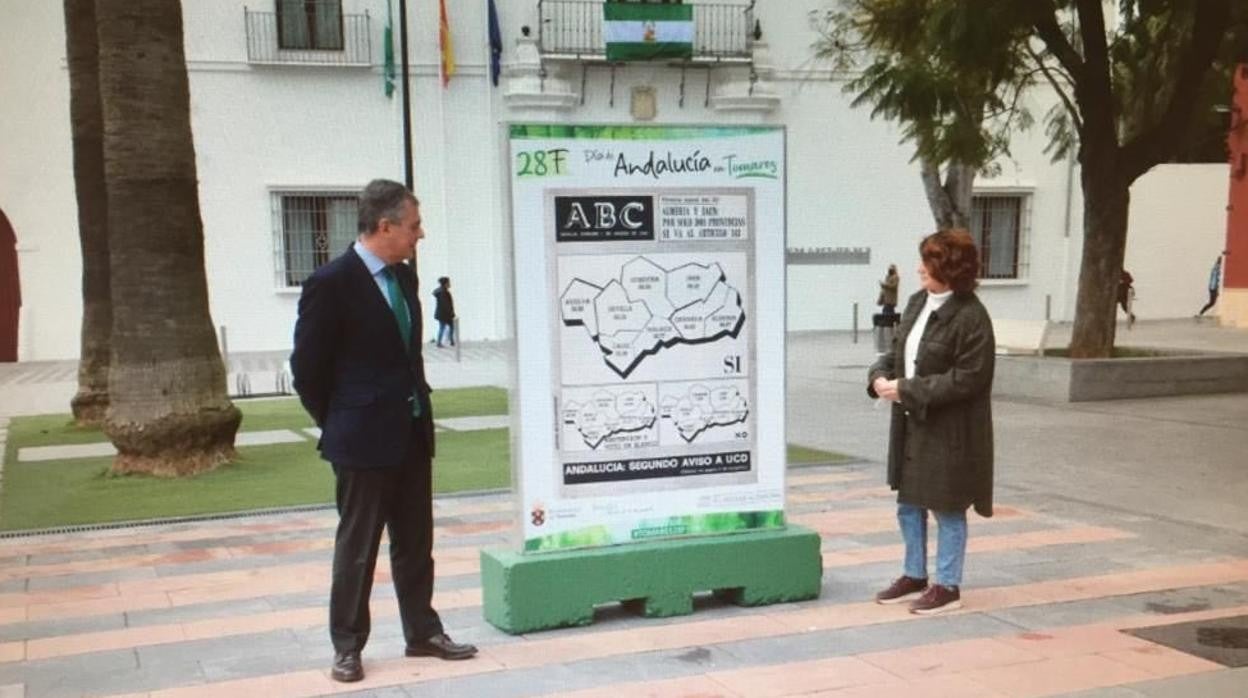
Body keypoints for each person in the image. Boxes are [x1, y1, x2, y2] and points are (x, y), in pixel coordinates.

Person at [290, 179, 477, 684]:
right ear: (385, 225)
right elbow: (307, 369)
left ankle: (423, 632)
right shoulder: (331, 283)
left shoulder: (405, 280)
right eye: (414, 226)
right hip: (361, 441)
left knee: (416, 543)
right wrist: (338, 421)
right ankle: (347, 646)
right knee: (358, 549)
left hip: (411, 432)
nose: (421, 234)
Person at [867, 229, 995, 615]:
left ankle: (948, 585)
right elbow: (897, 350)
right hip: (911, 422)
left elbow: (969, 378)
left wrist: (908, 388)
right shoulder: (917, 301)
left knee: (947, 507)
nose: (920, 268)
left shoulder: (972, 317)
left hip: (950, 430)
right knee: (909, 504)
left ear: (951, 269)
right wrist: (878, 377)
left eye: (929, 261)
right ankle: (914, 574)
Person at [432, 276, 455, 347]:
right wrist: (451, 313)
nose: (449, 284)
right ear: (445, 283)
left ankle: (451, 341)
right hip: (444, 314)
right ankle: (440, 342)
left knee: (450, 326)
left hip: (442, 313)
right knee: (443, 327)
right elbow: (446, 304)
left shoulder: (442, 291)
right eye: (448, 282)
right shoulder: (443, 293)